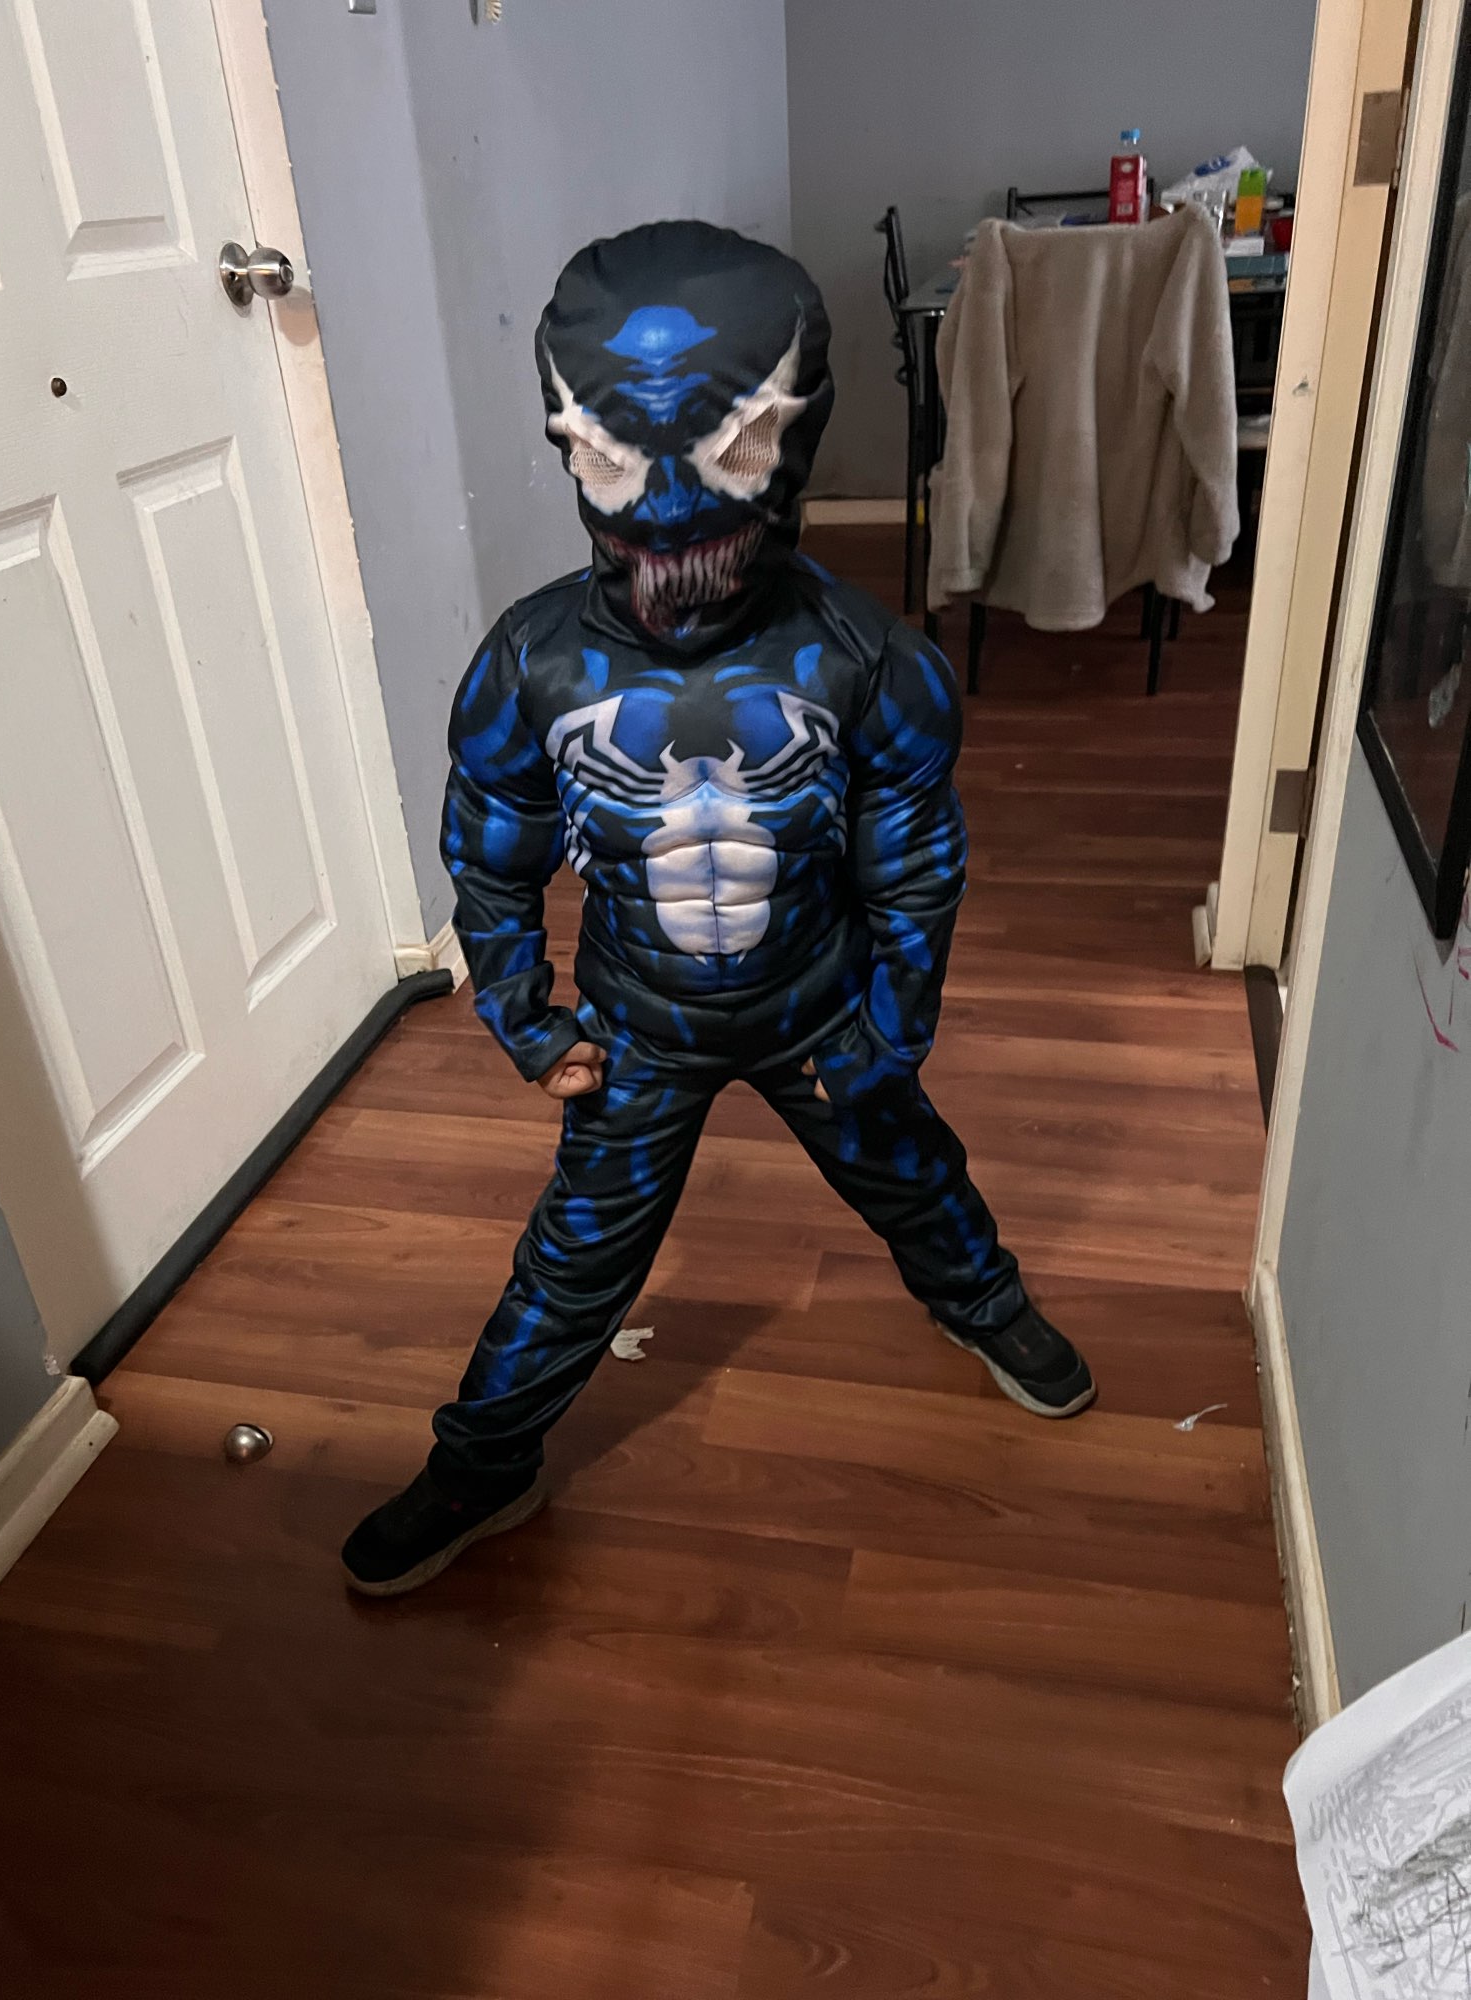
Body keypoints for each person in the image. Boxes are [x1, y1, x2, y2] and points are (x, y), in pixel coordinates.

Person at [341, 221, 1095, 1597]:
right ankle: (485, 1459)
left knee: (910, 1168)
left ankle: (981, 1300)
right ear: (575, 449)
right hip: (637, 1026)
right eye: (616, 468)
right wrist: (525, 1021)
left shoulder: (871, 662)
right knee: (573, 1259)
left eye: (734, 454)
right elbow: (490, 854)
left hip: (821, 1007)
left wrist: (889, 1034)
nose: (674, 519)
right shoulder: (529, 665)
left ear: (788, 443)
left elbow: (916, 867)